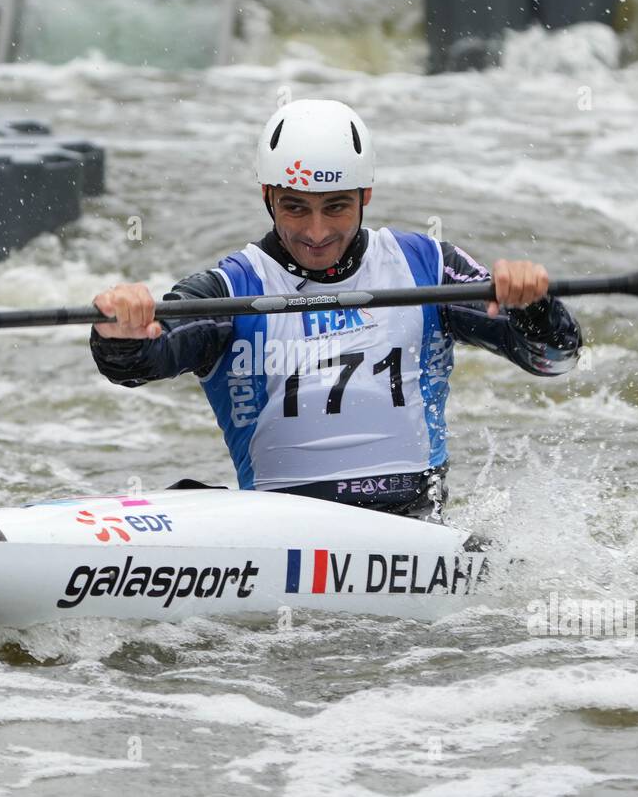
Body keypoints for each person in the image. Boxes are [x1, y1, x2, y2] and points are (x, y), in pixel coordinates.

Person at [91, 98, 581, 522]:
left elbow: (553, 359)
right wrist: (123, 329)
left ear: (366, 197)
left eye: (337, 207)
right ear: (268, 198)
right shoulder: (232, 287)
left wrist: (533, 307)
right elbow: (136, 365)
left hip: (414, 527)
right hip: (282, 531)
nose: (317, 232)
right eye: (296, 208)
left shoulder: (424, 266)